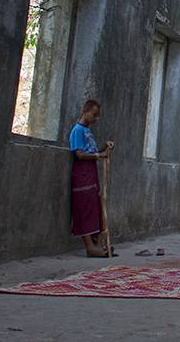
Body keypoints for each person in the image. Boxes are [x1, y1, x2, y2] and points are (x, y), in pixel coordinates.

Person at [68, 99, 114, 257]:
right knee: (84, 208)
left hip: (91, 173)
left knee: (94, 207)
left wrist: (104, 147)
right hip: (82, 174)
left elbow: (93, 152)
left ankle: (97, 244)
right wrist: (99, 155)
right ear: (85, 111)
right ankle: (89, 247)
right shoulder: (77, 130)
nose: (96, 119)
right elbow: (80, 154)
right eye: (94, 115)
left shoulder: (87, 131)